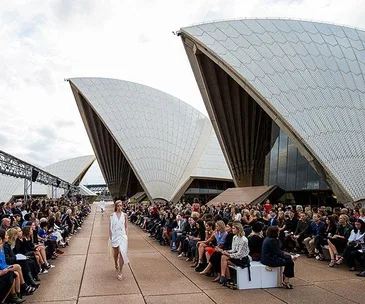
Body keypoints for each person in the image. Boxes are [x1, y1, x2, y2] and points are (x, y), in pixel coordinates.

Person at [217, 222, 249, 286]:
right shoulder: (234, 237)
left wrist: (229, 255)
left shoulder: (244, 239)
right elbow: (233, 250)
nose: (232, 230)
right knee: (223, 257)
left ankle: (226, 278)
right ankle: (225, 277)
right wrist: (226, 251)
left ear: (238, 229)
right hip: (235, 256)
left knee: (224, 258)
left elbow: (240, 254)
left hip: (242, 259)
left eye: (234, 228)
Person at [109, 200, 130, 281]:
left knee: (122, 253)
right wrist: (110, 237)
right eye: (118, 206)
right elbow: (110, 227)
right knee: (116, 253)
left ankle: (120, 272)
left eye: (121, 205)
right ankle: (115, 263)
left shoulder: (125, 215)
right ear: (116, 206)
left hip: (122, 236)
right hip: (115, 236)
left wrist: (126, 235)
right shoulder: (112, 215)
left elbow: (126, 226)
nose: (119, 207)